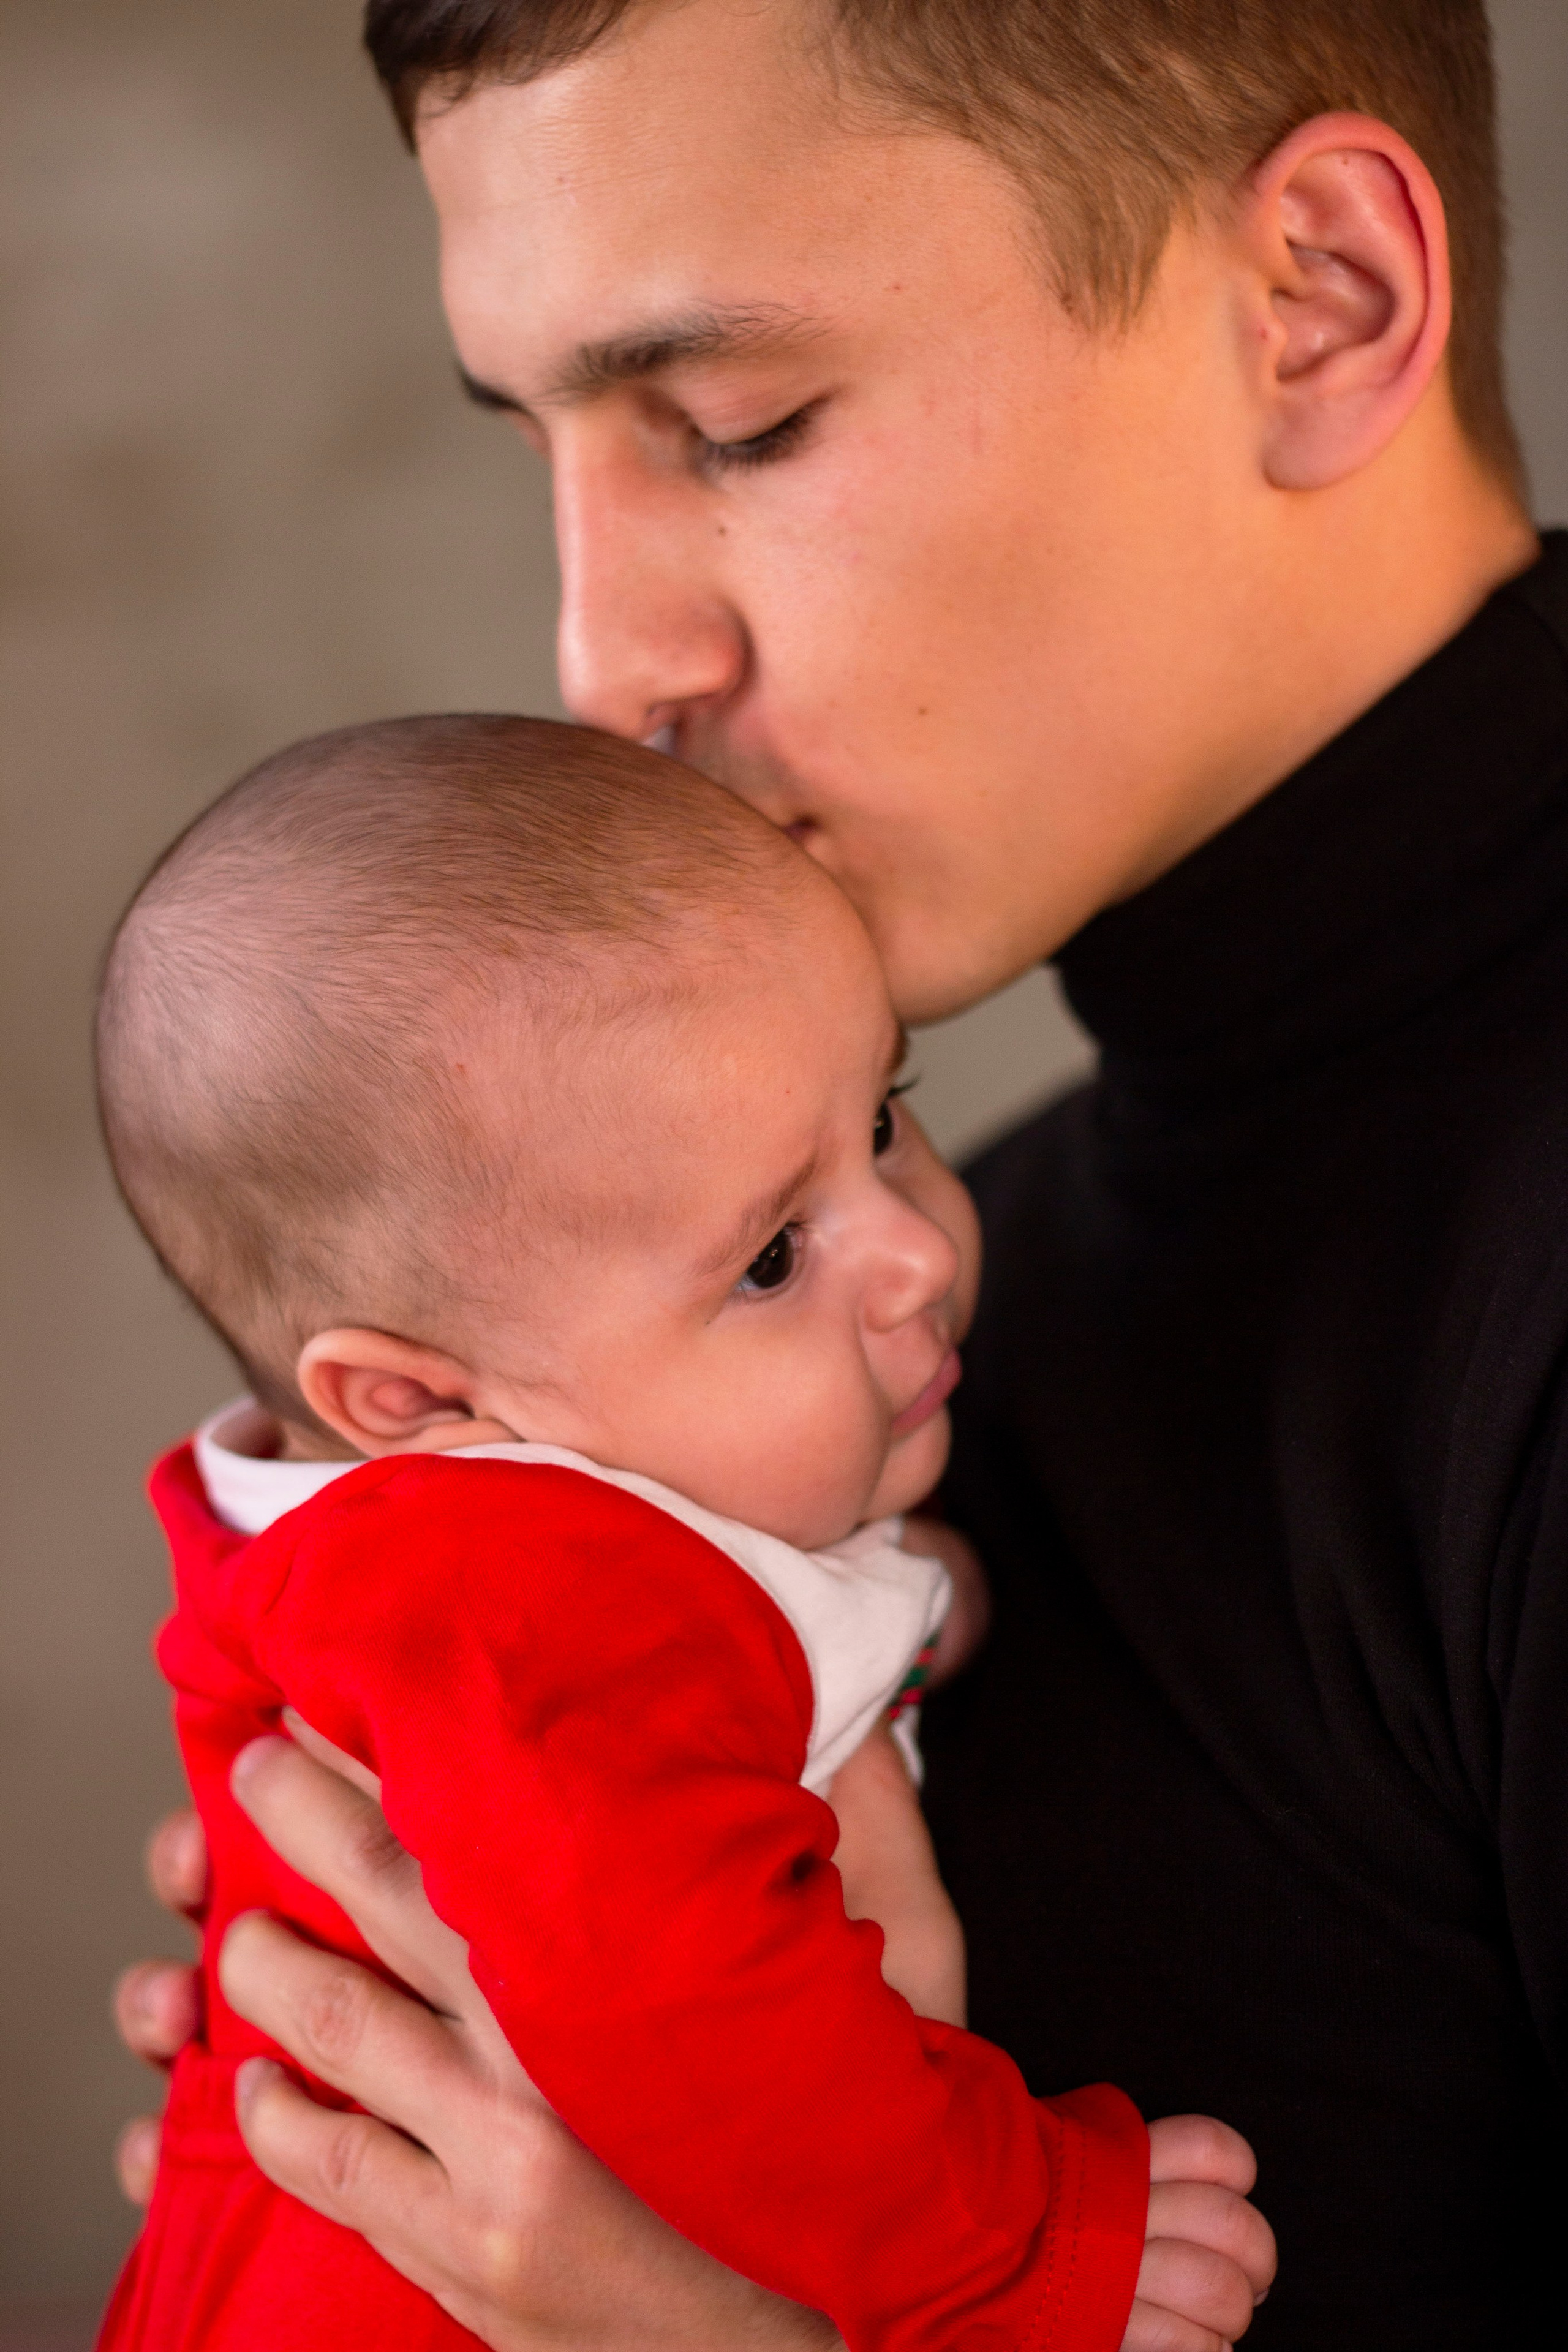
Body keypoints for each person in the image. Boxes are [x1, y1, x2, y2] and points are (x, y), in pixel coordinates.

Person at [111, 1, 1561, 2344]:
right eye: (551, 451)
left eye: (736, 427)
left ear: (1318, 298)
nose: (608, 660)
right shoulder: (872, 1340)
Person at [97, 712, 1259, 2352]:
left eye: (880, 1120)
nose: (913, 1250)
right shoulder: (498, 1587)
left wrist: (889, 1619)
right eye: (774, 1257)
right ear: (424, 1407)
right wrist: (1006, 2254)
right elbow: (689, 2010)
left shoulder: (516, 1528)